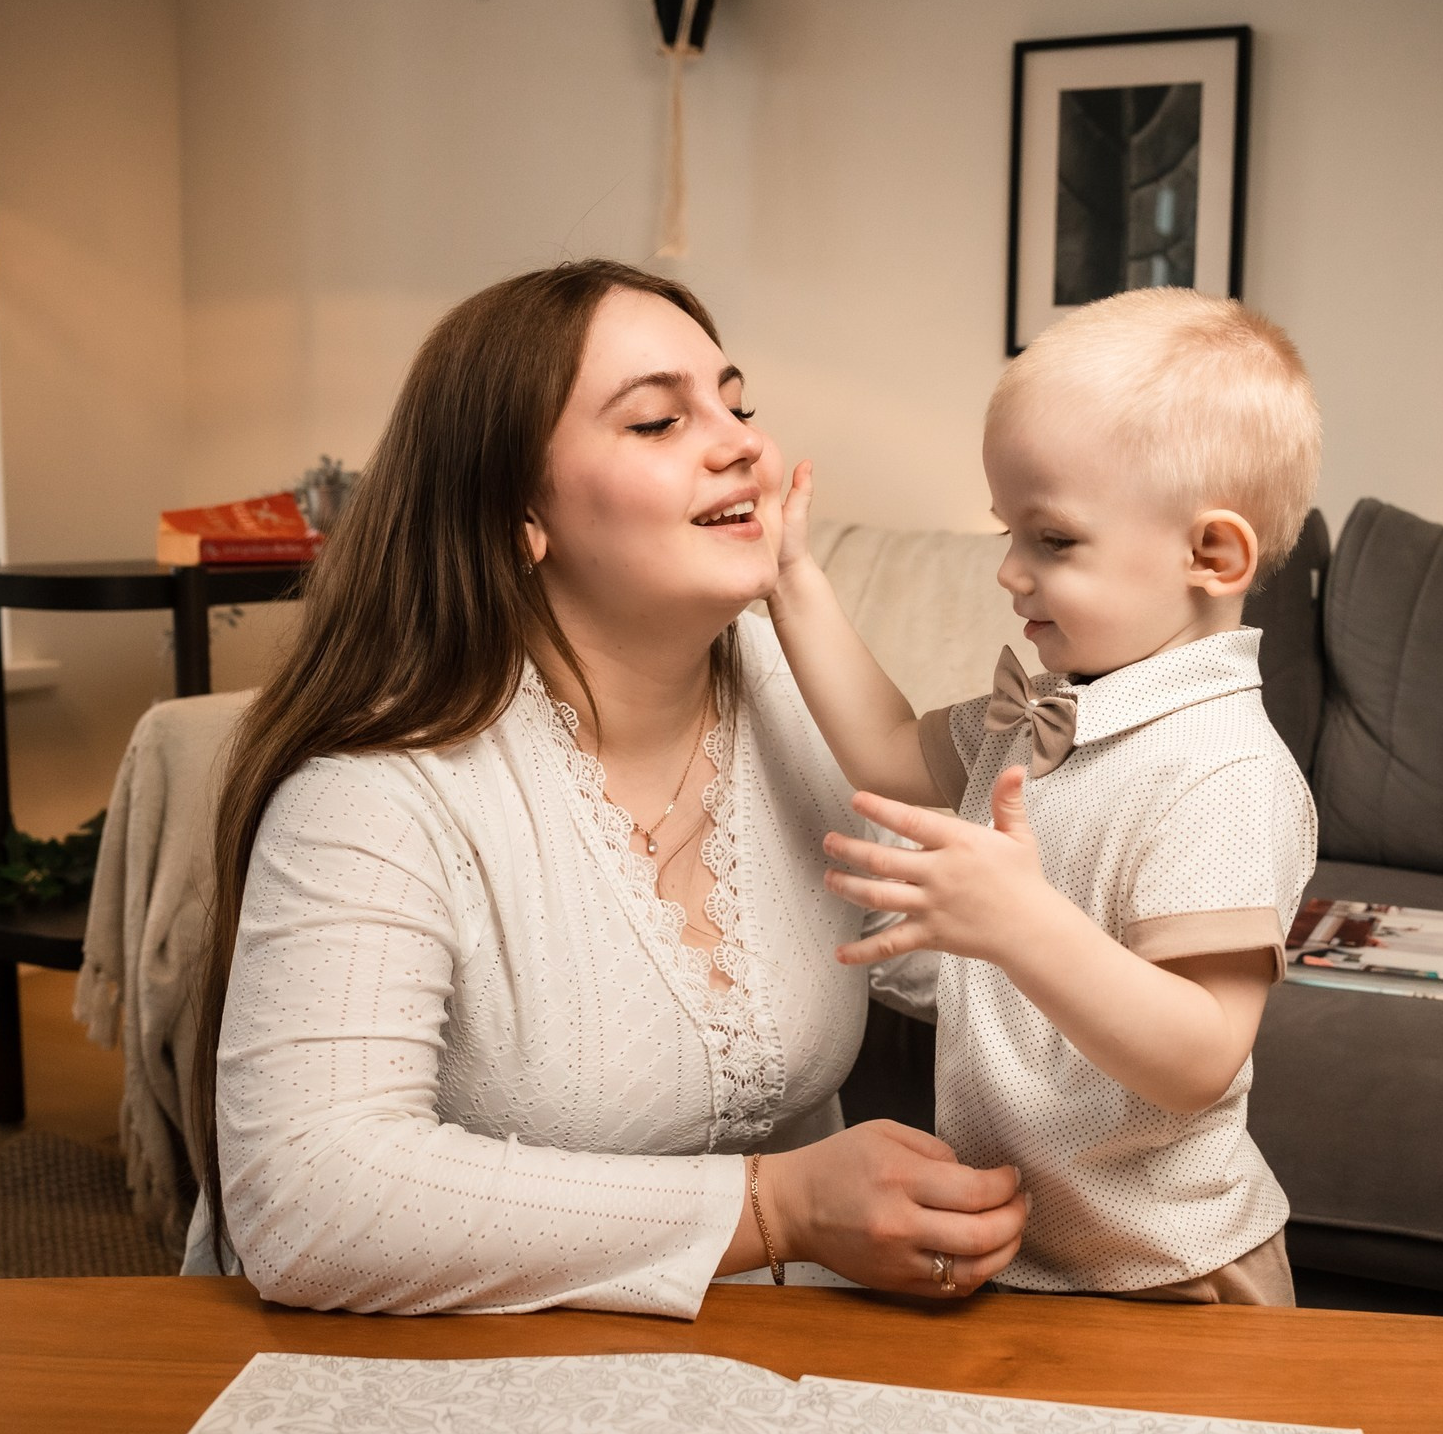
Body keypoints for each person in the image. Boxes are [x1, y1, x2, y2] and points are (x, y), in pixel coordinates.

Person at [181, 260, 1028, 1313]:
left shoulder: (779, 683)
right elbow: (310, 1203)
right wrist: (779, 1207)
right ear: (516, 515)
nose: (742, 442)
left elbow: (961, 960)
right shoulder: (375, 790)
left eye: (736, 401)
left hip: (779, 1351)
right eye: (656, 422)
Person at [767, 287, 1321, 1304]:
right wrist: (791, 582)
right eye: (1006, 532)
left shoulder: (1219, 767)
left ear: (1212, 555)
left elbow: (1200, 1053)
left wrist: (1023, 923)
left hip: (1172, 1274)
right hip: (1023, 1261)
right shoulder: (1045, 710)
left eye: (1052, 539)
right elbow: (891, 755)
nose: (1009, 572)